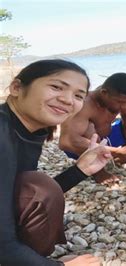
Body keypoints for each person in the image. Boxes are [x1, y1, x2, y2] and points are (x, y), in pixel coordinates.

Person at [0, 59, 110, 265]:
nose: (69, 100)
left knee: (39, 187)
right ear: (16, 87)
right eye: (56, 87)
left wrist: (81, 170)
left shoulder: (29, 130)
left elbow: (19, 195)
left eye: (79, 96)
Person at [59, 72, 126, 184]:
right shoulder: (84, 105)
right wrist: (118, 151)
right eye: (121, 102)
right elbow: (66, 142)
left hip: (107, 139)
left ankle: (124, 157)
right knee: (90, 128)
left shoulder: (118, 98)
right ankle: (98, 172)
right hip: (82, 147)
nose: (124, 106)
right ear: (104, 93)